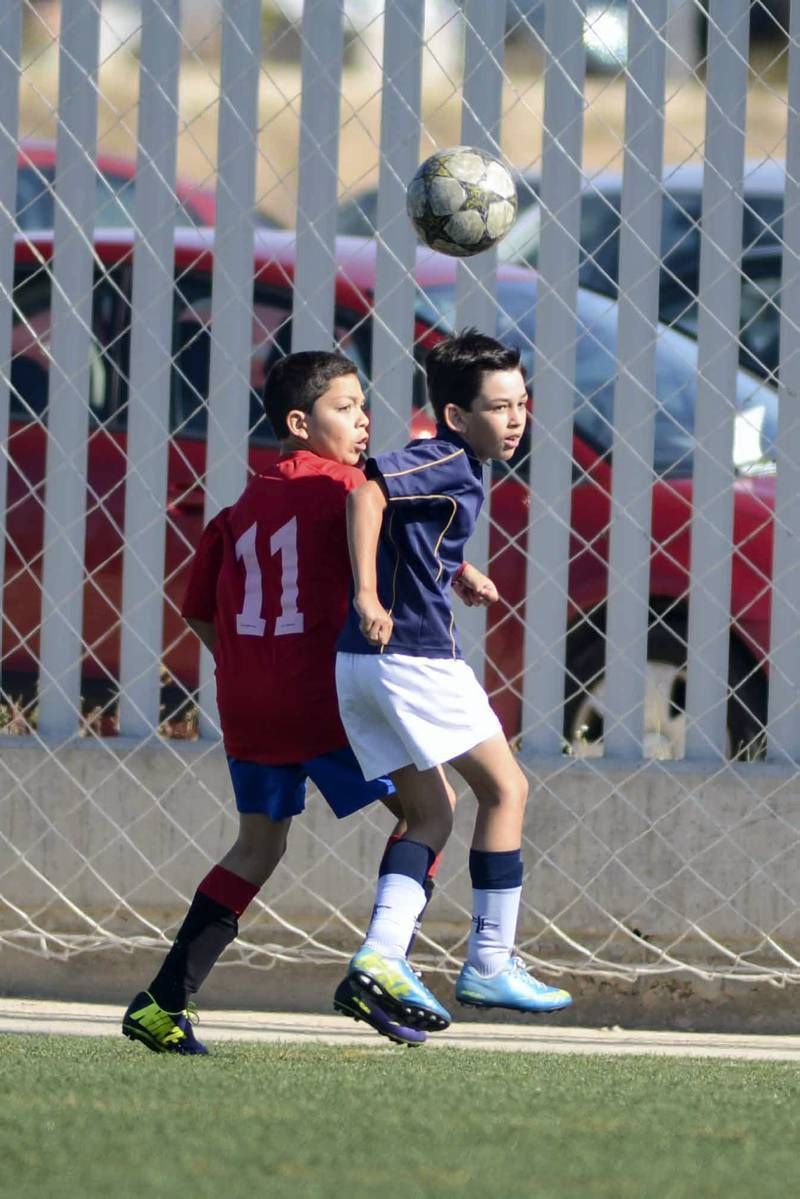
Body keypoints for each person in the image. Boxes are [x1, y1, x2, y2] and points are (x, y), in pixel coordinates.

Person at [122, 350, 442, 1055]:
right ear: (299, 423)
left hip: (249, 701)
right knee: (432, 812)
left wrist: (248, 660)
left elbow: (198, 611)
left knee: (257, 844)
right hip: (324, 699)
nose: (362, 420)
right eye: (344, 408)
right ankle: (379, 967)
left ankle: (163, 1001)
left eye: (362, 406)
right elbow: (408, 556)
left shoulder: (238, 510)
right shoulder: (352, 490)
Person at [333, 329, 572, 1034]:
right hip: (412, 657)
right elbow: (368, 495)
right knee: (506, 789)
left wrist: (453, 568)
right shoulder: (444, 456)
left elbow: (410, 522)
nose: (516, 417)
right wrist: (370, 595)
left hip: (362, 665)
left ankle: (380, 954)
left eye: (521, 402)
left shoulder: (459, 463)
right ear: (457, 417)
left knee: (430, 812)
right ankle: (491, 961)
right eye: (498, 407)